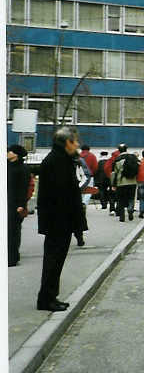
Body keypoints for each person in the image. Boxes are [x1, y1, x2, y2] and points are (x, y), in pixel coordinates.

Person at [36, 126, 82, 312]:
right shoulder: (57, 162)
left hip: (60, 220)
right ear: (67, 143)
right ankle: (46, 299)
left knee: (56, 260)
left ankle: (50, 296)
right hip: (58, 220)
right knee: (53, 260)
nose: (77, 145)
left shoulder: (61, 159)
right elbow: (61, 194)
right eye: (75, 141)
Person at [8, 144, 31, 267]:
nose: (7, 153)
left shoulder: (22, 169)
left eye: (9, 151)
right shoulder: (7, 166)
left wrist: (21, 204)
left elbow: (24, 188)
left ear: (16, 154)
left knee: (13, 232)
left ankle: (12, 258)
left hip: (16, 205)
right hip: (7, 202)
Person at [111, 148, 139, 221]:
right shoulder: (133, 158)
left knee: (121, 199)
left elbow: (114, 173)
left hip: (121, 182)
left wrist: (113, 184)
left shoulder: (118, 160)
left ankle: (122, 216)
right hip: (132, 182)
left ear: (119, 151)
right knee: (131, 198)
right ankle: (130, 209)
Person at [74, 155, 92, 247]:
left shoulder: (77, 160)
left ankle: (79, 237)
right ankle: (79, 237)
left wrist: (78, 188)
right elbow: (86, 175)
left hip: (72, 192)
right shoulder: (78, 159)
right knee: (77, 216)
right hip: (74, 192)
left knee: (75, 216)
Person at [104, 144, 125, 216]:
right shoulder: (123, 158)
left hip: (112, 179)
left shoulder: (111, 159)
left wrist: (109, 176)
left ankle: (112, 209)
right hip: (121, 179)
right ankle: (118, 210)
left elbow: (106, 168)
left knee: (112, 195)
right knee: (120, 195)